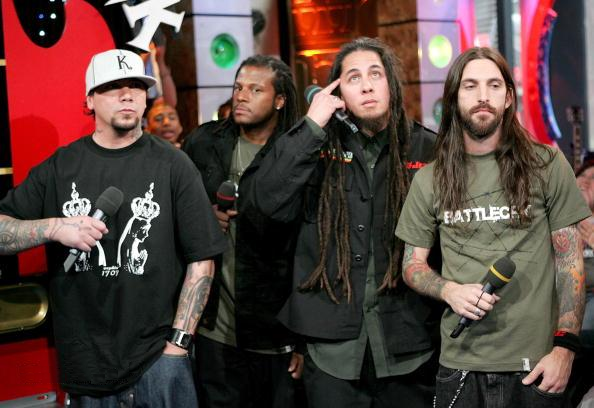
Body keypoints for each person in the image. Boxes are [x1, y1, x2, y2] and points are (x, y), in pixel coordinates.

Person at [0, 49, 227, 406]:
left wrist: (178, 345)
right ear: (90, 99)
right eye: (112, 87)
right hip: (87, 365)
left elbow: (202, 259)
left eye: (136, 86)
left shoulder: (174, 164)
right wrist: (54, 227)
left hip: (159, 361)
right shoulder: (61, 167)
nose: (127, 95)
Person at [395, 47, 589, 408]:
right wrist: (449, 290)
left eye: (494, 85)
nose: (483, 95)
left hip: (536, 366)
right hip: (460, 366)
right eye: (470, 86)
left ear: (509, 98)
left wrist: (565, 348)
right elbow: (411, 264)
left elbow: (570, 263)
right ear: (454, 99)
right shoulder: (429, 179)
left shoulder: (547, 164)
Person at [250, 37, 438, 407]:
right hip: (331, 347)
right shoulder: (315, 143)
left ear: (391, 84)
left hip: (409, 341)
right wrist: (312, 124)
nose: (367, 86)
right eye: (354, 78)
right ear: (337, 93)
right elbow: (265, 201)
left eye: (375, 75)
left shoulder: (426, 148)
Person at [182, 55, 302, 408]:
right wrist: (202, 217)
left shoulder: (294, 153)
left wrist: (305, 340)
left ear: (279, 100)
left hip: (274, 330)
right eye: (238, 87)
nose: (241, 96)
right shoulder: (204, 142)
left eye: (255, 89)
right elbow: (171, 208)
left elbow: (311, 248)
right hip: (213, 327)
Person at [576, 158, 594, 350]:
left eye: (593, 177)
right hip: (562, 295)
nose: (585, 180)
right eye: (581, 175)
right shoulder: (556, 220)